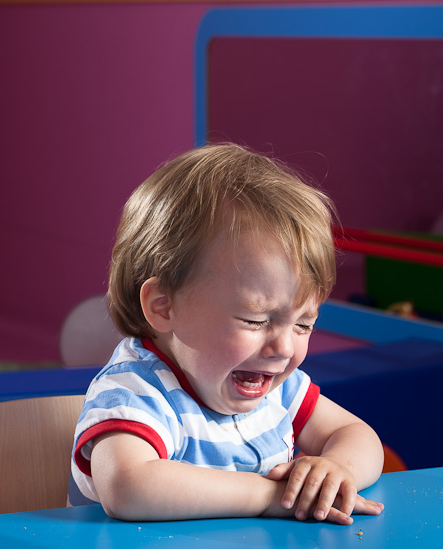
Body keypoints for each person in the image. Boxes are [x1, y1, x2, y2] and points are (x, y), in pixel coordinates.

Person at [69, 143, 386, 525]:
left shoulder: (277, 389)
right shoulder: (135, 392)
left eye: (304, 324)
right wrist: (271, 495)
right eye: (255, 320)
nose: (284, 347)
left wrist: (337, 468)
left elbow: (356, 433)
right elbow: (128, 487)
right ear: (164, 306)